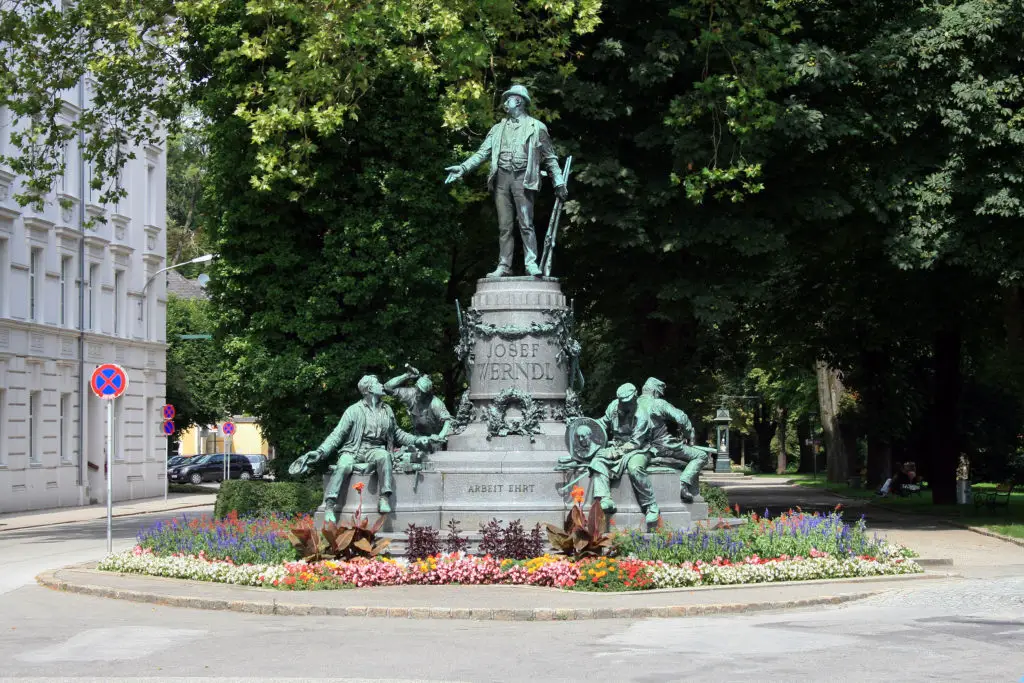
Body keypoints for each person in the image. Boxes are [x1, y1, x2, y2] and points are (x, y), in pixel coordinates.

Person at [444, 84, 568, 278]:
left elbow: (550, 158)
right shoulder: (497, 129)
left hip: (523, 179)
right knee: (504, 226)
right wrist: (463, 167)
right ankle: (504, 265)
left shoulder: (537, 127)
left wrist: (559, 182)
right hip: (502, 178)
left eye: (508, 99)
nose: (505, 102)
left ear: (518, 101)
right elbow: (482, 153)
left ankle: (531, 263)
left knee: (526, 224)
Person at [288, 375, 430, 521]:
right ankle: (330, 505)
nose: (382, 385)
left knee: (384, 456)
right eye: (377, 383)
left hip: (375, 449)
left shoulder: (387, 410)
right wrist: (320, 452)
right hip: (354, 449)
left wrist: (417, 440)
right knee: (343, 465)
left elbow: (398, 433)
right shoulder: (353, 410)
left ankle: (384, 498)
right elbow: (337, 435)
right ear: (369, 389)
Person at [590, 383, 661, 524]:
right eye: (621, 402)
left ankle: (651, 505)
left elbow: (636, 442)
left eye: (626, 402)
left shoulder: (642, 415)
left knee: (635, 468)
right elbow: (604, 423)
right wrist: (587, 425)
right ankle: (605, 499)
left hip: (639, 449)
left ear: (634, 398)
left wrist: (615, 453)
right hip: (617, 446)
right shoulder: (613, 406)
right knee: (597, 461)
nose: (623, 405)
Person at [638, 377, 709, 503]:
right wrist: (688, 435)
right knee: (701, 456)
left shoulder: (632, 404)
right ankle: (682, 485)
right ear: (655, 392)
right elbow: (682, 418)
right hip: (662, 447)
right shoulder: (658, 403)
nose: (659, 396)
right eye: (659, 394)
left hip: (639, 448)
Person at [383, 366, 453, 447]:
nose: (418, 393)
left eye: (422, 392)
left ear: (427, 393)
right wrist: (407, 375)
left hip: (435, 440)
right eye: (417, 389)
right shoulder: (411, 394)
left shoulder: (435, 403)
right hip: (418, 438)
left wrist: (440, 437)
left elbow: (448, 421)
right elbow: (387, 387)